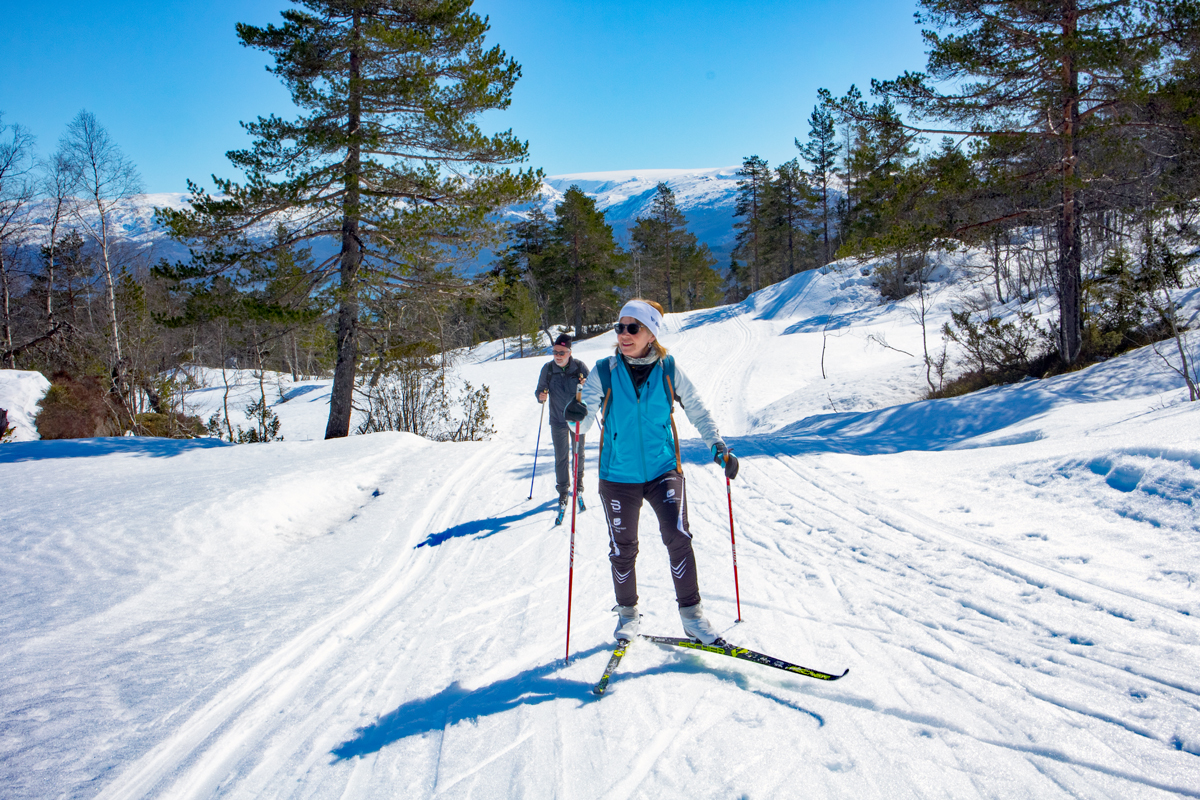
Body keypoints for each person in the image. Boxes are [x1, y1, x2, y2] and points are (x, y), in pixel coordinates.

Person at [564, 299, 739, 645]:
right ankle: (627, 616)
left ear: (651, 334)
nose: (624, 335)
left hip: (662, 468)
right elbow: (582, 424)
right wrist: (576, 414)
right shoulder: (605, 370)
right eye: (620, 327)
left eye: (633, 328)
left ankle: (692, 617)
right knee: (623, 547)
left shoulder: (669, 369)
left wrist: (717, 446)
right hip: (618, 475)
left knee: (678, 536)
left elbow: (698, 410)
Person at [534, 334, 590, 513]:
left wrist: (586, 384)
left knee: (578, 452)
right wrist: (540, 396)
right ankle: (563, 489)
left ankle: (578, 484)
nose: (558, 355)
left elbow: (592, 392)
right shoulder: (548, 369)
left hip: (576, 419)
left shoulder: (580, 368)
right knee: (561, 456)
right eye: (555, 352)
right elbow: (539, 390)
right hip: (557, 418)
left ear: (569, 352)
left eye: (561, 352)